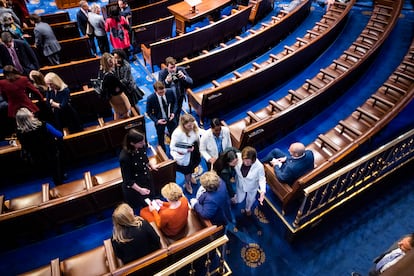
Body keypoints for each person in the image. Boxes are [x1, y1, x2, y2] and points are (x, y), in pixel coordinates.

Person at [15, 107, 65, 185]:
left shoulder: (19, 132)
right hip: (51, 152)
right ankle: (60, 179)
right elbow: (59, 135)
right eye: (30, 112)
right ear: (30, 116)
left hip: (35, 156)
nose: (32, 112)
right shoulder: (44, 124)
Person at [119, 129, 159, 210]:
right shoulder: (125, 157)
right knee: (146, 204)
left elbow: (144, 158)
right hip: (137, 184)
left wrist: (150, 164)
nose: (144, 144)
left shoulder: (141, 147)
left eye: (143, 141)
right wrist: (140, 190)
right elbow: (128, 180)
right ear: (132, 143)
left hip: (146, 177)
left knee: (152, 196)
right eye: (141, 143)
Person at [170, 114, 201, 195]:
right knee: (187, 170)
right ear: (183, 125)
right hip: (185, 154)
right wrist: (185, 150)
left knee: (194, 165)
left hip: (194, 149)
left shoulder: (194, 124)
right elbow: (172, 147)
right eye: (189, 125)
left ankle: (190, 178)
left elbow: (198, 135)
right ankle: (187, 184)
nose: (191, 127)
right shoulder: (177, 133)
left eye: (192, 124)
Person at [158, 56, 193, 122]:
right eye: (171, 68)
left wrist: (184, 77)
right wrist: (166, 82)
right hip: (169, 100)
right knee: (169, 115)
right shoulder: (162, 74)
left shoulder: (181, 70)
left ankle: (177, 121)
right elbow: (159, 89)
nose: (174, 69)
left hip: (179, 97)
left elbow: (191, 82)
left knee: (178, 112)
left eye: (174, 67)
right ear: (167, 67)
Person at [146, 81, 177, 151]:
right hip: (160, 120)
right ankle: (164, 153)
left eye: (163, 91)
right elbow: (149, 112)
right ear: (155, 91)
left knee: (174, 134)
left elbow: (175, 103)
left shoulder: (169, 92)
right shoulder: (150, 98)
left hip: (171, 118)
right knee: (161, 138)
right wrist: (157, 121)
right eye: (160, 93)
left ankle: (176, 149)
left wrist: (173, 113)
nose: (162, 94)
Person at [99, 52, 132, 120]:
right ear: (111, 63)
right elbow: (120, 88)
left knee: (116, 112)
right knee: (125, 113)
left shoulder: (102, 71)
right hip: (117, 97)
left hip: (111, 96)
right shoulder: (111, 76)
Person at [235, 146, 266, 216]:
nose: (245, 163)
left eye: (248, 161)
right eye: (244, 160)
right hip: (239, 183)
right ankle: (236, 198)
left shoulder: (259, 166)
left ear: (253, 160)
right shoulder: (238, 156)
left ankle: (248, 208)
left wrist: (262, 191)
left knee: (250, 199)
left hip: (252, 187)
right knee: (239, 198)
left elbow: (262, 179)